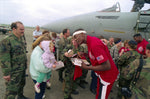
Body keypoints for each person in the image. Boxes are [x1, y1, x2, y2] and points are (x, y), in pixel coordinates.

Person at [72, 29, 119, 99]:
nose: (75, 40)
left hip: (107, 76)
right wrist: (85, 54)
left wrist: (87, 67)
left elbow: (107, 66)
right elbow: (95, 55)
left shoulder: (94, 44)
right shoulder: (91, 41)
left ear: (82, 34)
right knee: (98, 95)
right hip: (102, 74)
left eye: (76, 37)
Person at [0, 21, 29, 99]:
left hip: (22, 69)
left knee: (21, 85)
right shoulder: (7, 40)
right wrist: (6, 73)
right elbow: (4, 58)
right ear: (14, 29)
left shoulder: (21, 38)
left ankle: (20, 96)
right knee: (11, 91)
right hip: (14, 71)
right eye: (21, 29)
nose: (23, 31)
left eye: (23, 29)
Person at [30, 34, 51, 99]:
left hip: (39, 75)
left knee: (41, 92)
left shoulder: (41, 50)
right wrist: (51, 67)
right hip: (38, 76)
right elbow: (42, 68)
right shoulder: (37, 52)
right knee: (39, 93)